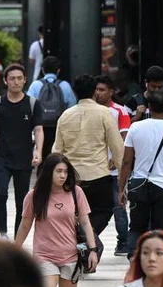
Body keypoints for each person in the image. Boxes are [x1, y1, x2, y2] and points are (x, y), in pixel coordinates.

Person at [15, 154, 99, 287]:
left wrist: (93, 250)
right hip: (44, 255)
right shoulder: (34, 196)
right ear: (48, 172)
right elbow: (25, 225)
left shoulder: (76, 193)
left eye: (65, 172)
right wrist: (14, 250)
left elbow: (86, 222)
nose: (63, 176)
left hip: (71, 255)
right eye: (58, 171)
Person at [51, 74, 124, 239]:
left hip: (72, 177)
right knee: (103, 211)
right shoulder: (105, 113)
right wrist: (123, 177)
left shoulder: (65, 115)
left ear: (75, 92)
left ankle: (81, 239)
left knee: (74, 213)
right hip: (98, 175)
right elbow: (117, 148)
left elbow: (57, 150)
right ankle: (87, 239)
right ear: (95, 92)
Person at [119, 91, 163, 257]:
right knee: (161, 229)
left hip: (138, 183)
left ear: (149, 107)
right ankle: (158, 260)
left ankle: (134, 257)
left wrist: (121, 189)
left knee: (136, 227)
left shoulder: (135, 128)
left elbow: (126, 161)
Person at [0, 63, 43, 239]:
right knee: (0, 193)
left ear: (25, 80)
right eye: (12, 78)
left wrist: (38, 151)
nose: (16, 82)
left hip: (24, 158)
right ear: (5, 81)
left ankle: (18, 237)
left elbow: (38, 130)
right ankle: (2, 232)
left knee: (22, 200)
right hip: (2, 157)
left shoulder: (32, 104)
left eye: (19, 78)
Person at [94, 74, 132, 257]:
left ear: (111, 91)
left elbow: (125, 136)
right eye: (96, 89)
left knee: (119, 206)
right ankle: (91, 238)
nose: (98, 93)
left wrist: (117, 158)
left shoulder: (120, 111)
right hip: (94, 168)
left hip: (114, 169)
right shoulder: (91, 110)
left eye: (102, 90)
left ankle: (123, 240)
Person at [27, 56, 77, 163]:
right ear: (58, 70)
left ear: (42, 70)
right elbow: (73, 107)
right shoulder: (65, 85)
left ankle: (42, 171)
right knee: (57, 157)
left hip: (40, 126)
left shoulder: (35, 85)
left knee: (42, 155)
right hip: (59, 126)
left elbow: (28, 106)